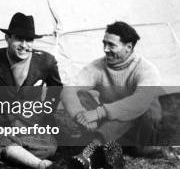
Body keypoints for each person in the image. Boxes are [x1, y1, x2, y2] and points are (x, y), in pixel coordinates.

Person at [0, 12, 63, 169]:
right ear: (7, 38)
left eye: (29, 40)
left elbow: (55, 89)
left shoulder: (46, 61)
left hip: (28, 124)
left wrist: (45, 115)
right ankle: (41, 166)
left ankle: (1, 151)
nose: (24, 45)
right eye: (19, 39)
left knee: (50, 147)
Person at [61, 21, 163, 157]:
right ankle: (102, 143)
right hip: (109, 127)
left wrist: (98, 113)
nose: (105, 49)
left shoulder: (146, 69)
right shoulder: (98, 66)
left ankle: (95, 144)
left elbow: (139, 103)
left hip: (140, 133)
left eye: (111, 45)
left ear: (128, 47)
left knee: (135, 108)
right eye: (104, 43)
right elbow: (68, 89)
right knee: (81, 95)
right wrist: (80, 114)